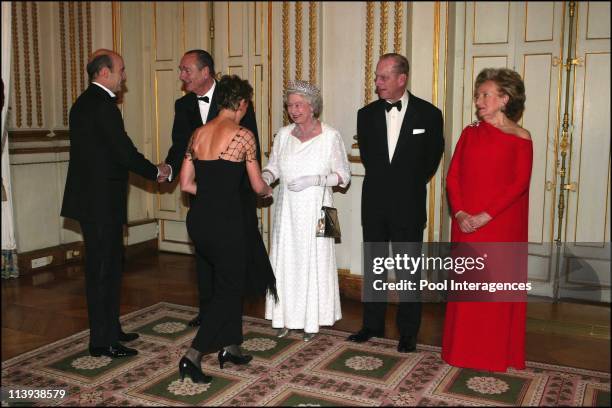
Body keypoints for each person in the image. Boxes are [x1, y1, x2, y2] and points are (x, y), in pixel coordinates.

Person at [61, 49, 170, 358]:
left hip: (95, 201)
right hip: (99, 204)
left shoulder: (87, 103)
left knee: (109, 267)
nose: (124, 76)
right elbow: (124, 153)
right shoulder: (102, 107)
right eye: (121, 70)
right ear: (104, 73)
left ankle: (110, 328)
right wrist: (156, 171)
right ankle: (101, 341)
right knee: (103, 271)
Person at [178, 75, 277, 383]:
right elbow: (257, 184)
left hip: (199, 221)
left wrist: (212, 194)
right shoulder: (243, 135)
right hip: (227, 222)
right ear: (242, 103)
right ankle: (193, 356)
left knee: (223, 280)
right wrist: (267, 192)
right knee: (229, 288)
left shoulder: (197, 134)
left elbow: (185, 184)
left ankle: (231, 345)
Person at [348, 53, 444, 352]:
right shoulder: (366, 114)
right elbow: (370, 158)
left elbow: (431, 158)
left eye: (383, 78)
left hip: (409, 204)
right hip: (374, 204)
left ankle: (408, 332)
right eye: (377, 77)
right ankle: (372, 325)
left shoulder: (429, 114)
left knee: (408, 270)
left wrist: (407, 185)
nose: (377, 83)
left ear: (402, 79)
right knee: (374, 265)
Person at [163, 49, 261, 330]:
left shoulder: (235, 99)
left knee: (234, 260)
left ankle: (231, 315)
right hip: (203, 198)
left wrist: (249, 191)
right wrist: (169, 169)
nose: (182, 76)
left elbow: (249, 145)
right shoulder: (183, 106)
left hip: (234, 197)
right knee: (204, 258)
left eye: (186, 70)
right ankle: (207, 312)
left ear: (205, 72)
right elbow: (180, 145)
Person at [442, 68, 532, 371]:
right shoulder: (469, 133)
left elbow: (519, 184)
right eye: (478, 95)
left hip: (501, 224)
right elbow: (452, 177)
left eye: (485, 95)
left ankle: (493, 353)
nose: (478, 100)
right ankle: (462, 352)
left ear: (504, 99)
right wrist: (461, 213)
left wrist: (486, 215)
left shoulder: (521, 137)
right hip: (466, 223)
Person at [263, 80, 351, 342]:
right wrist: (264, 178)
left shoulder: (331, 135)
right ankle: (283, 317)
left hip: (321, 207)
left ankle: (313, 320)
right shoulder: (282, 135)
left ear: (312, 107)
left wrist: (315, 180)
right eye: (290, 105)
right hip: (288, 209)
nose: (293, 109)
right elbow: (274, 167)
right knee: (285, 261)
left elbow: (344, 177)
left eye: (299, 104)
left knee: (317, 261)